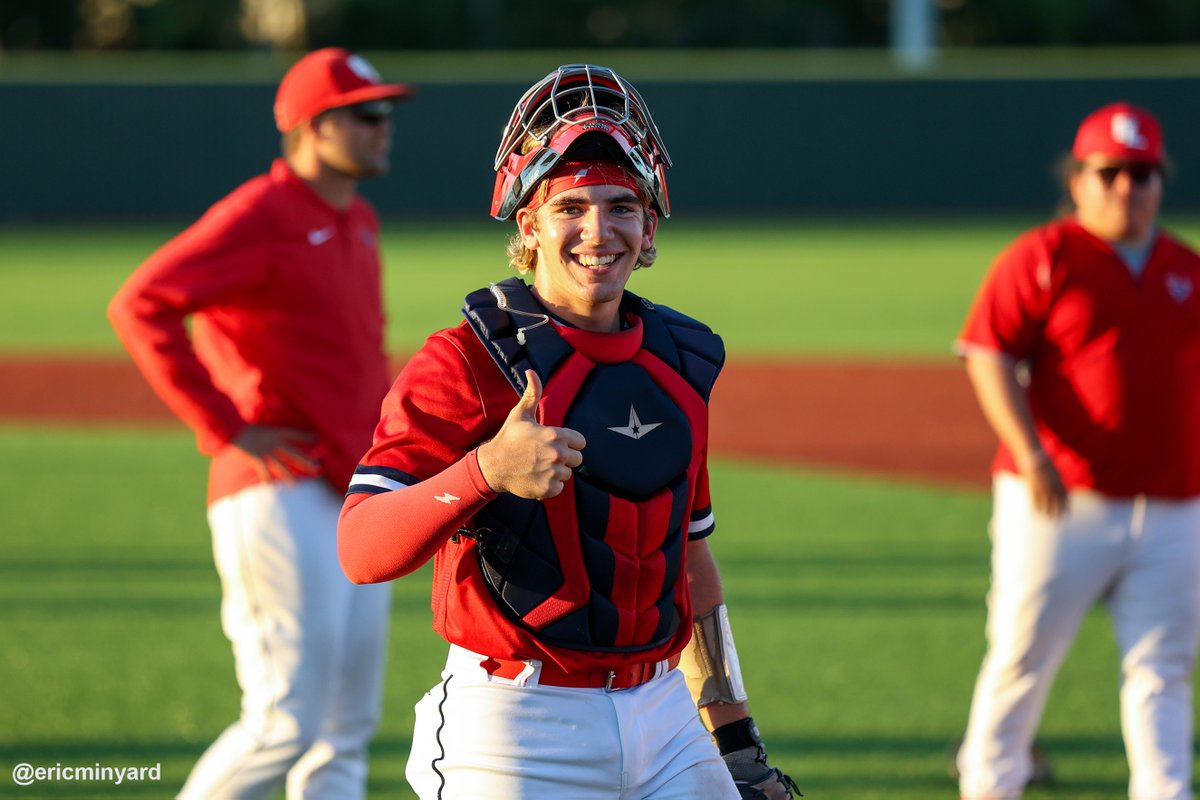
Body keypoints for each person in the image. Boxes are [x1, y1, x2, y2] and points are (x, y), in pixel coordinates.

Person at [337, 64, 799, 799]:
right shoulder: (465, 358)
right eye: (571, 207)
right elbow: (360, 549)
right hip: (516, 722)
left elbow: (689, 561)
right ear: (529, 225)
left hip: (666, 716)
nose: (598, 231)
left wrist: (734, 736)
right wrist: (485, 471)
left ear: (649, 227)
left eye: (621, 207)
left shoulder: (680, 361)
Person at [107, 48, 414, 799]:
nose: (385, 129)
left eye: (386, 114)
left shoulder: (357, 217)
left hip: (354, 492)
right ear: (314, 126)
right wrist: (225, 426)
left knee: (344, 729)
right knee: (286, 721)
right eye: (367, 115)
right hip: (277, 486)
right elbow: (140, 304)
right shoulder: (261, 213)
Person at [954, 101, 1200, 800]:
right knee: (1020, 658)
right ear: (1080, 178)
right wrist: (1030, 455)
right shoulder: (1043, 256)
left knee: (1164, 668)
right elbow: (988, 354)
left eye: (1144, 172)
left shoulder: (1186, 267)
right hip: (1060, 502)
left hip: (1175, 506)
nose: (1129, 187)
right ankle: (989, 785)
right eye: (1112, 172)